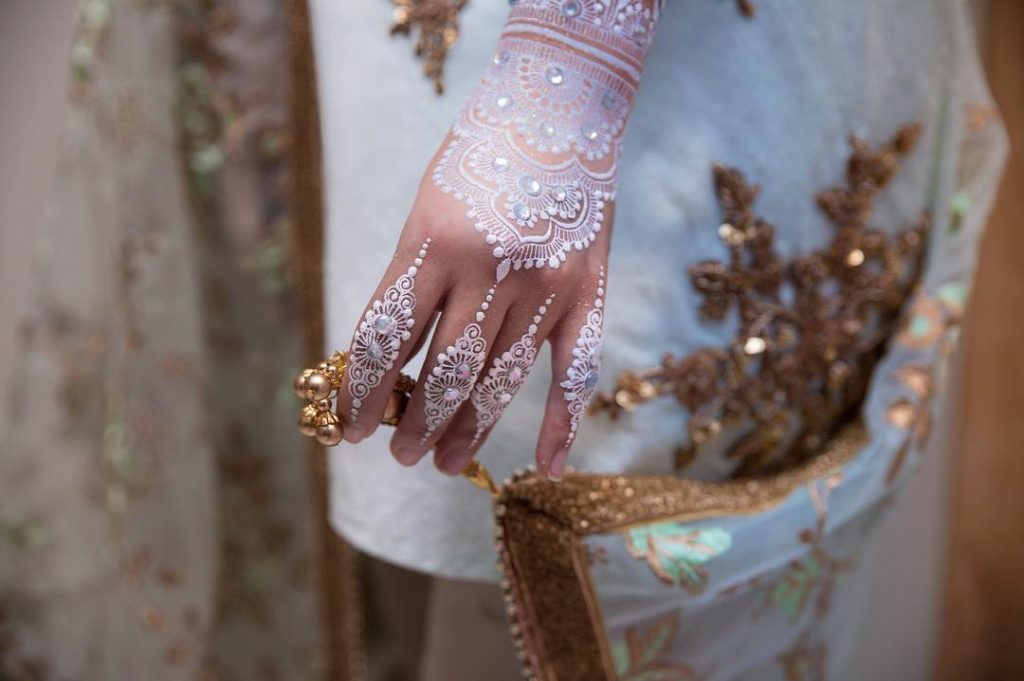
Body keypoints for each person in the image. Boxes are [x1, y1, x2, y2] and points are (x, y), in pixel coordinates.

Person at [308, 0, 1005, 677]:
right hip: (432, 86)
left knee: (576, 577)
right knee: (433, 543)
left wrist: (559, 90)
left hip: (639, 100)